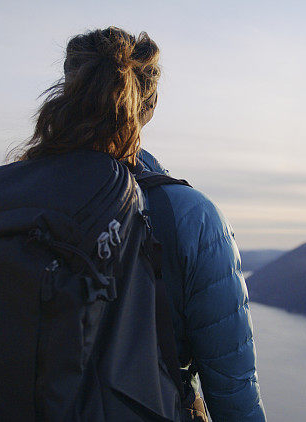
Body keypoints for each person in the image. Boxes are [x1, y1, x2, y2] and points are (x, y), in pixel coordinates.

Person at [13, 26, 265, 422]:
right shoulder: (188, 215)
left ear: (67, 90)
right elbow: (233, 390)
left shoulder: (9, 198)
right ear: (150, 105)